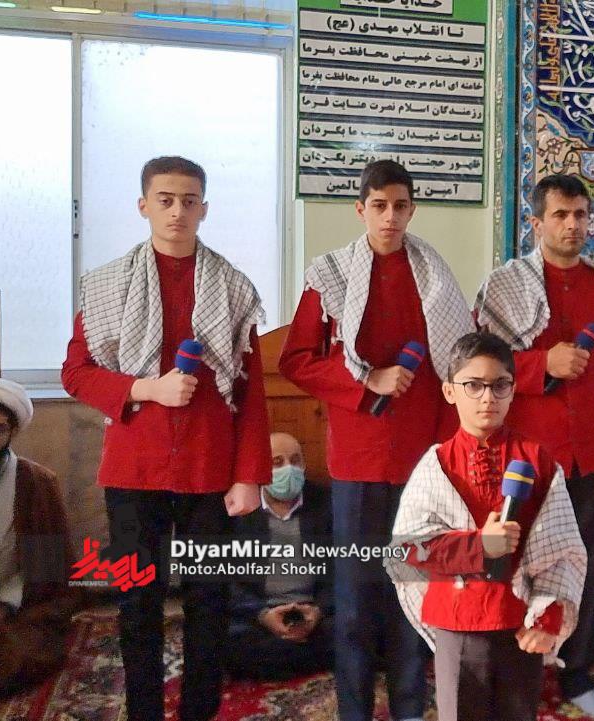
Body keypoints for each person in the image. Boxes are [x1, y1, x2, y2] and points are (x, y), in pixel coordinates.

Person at [61, 156, 270, 721]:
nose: (178, 211)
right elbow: (75, 372)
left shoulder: (233, 288)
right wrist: (145, 388)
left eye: (189, 201)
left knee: (209, 598)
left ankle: (200, 709)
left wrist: (248, 475)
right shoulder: (105, 286)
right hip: (135, 468)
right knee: (138, 600)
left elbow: (249, 389)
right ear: (143, 205)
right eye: (165, 199)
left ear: (204, 208)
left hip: (210, 469)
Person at [279, 159, 473, 721]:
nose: (390, 217)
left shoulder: (436, 280)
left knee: (412, 592)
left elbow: (455, 371)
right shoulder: (331, 275)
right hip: (358, 460)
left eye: (401, 206)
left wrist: (450, 458)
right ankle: (355, 711)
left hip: (421, 463)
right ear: (360, 209)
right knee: (357, 596)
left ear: (413, 209)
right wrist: (367, 383)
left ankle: (410, 707)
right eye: (379, 206)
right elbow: (296, 360)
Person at [473, 173, 594, 717]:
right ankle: (513, 674)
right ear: (537, 222)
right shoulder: (503, 288)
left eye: (580, 215)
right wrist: (539, 364)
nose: (572, 225)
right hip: (524, 460)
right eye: (560, 215)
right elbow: (478, 368)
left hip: (593, 457)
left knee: (585, 569)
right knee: (514, 565)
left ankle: (577, 675)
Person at [385, 332, 586, 721]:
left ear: (513, 390)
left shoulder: (538, 461)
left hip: (520, 622)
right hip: (457, 622)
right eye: (473, 386)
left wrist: (548, 619)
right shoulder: (437, 465)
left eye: (500, 385)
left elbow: (563, 551)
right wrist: (479, 546)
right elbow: (407, 550)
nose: (487, 398)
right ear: (449, 391)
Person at [0, 378, 77, 703]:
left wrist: (3, 606)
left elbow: (47, 569)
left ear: (12, 432)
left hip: (12, 608)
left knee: (15, 654)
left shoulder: (36, 483)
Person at [223, 432, 333, 681]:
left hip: (315, 613)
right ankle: (309, 658)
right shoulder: (239, 507)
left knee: (358, 629)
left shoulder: (326, 503)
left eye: (295, 461)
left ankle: (291, 657)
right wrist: (263, 615)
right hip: (259, 615)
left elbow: (343, 567)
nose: (288, 469)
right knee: (224, 641)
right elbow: (225, 577)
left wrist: (318, 611)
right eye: (277, 462)